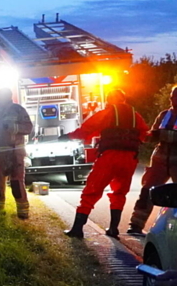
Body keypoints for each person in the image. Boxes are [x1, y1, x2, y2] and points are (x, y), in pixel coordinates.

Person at [63, 89, 148, 238]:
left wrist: (67, 136)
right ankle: (113, 229)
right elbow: (144, 135)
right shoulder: (135, 116)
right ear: (124, 100)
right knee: (119, 193)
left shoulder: (107, 113)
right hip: (129, 159)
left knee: (92, 191)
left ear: (110, 100)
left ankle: (77, 229)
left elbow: (87, 129)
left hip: (109, 157)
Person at [127, 84, 177, 235]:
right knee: (147, 191)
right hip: (159, 160)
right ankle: (135, 226)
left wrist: (160, 134)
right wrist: (142, 135)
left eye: (174, 95)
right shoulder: (164, 114)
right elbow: (154, 134)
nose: (171, 97)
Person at [0, 87, 34, 219]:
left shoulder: (18, 110)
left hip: (15, 153)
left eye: (0, 97)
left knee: (16, 183)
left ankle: (23, 213)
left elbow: (28, 128)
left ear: (8, 97)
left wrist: (13, 128)